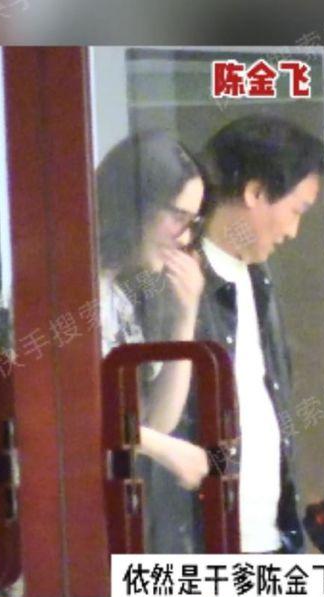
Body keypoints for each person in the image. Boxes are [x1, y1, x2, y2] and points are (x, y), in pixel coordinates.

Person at [196, 114, 324, 553]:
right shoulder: (179, 282)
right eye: (296, 210)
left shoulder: (257, 278)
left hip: (269, 535)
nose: (292, 230)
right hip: (205, 542)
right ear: (255, 192)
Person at [97, 130, 209, 497]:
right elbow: (64, 408)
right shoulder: (68, 284)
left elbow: (156, 420)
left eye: (192, 223)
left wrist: (185, 315)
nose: (185, 238)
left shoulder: (122, 296)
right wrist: (164, 449)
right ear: (137, 205)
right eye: (178, 217)